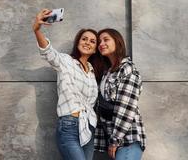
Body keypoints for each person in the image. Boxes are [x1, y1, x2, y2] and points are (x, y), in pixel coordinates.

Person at [32, 9, 100, 160]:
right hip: (69, 125)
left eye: (92, 41)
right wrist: (37, 29)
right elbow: (48, 53)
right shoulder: (66, 61)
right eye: (84, 39)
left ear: (95, 49)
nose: (87, 42)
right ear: (78, 42)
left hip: (89, 127)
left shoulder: (92, 71)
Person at [94, 28, 146, 160]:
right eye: (99, 41)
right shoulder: (108, 72)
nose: (101, 44)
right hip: (113, 138)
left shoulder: (127, 68)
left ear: (118, 42)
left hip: (128, 138)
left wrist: (115, 140)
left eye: (106, 40)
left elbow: (126, 107)